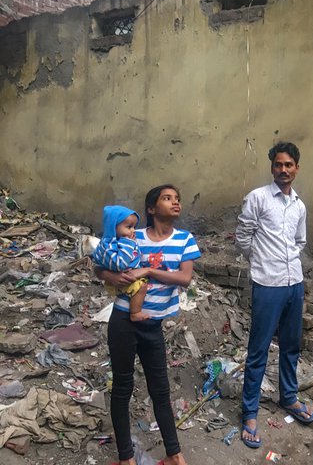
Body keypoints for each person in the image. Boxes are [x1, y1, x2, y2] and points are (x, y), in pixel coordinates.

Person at [96, 185, 200, 465]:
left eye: (178, 198)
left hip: (152, 324)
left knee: (160, 390)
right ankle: (125, 458)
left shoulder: (185, 240)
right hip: (122, 320)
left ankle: (174, 454)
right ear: (151, 209)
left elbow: (185, 278)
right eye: (167, 198)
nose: (175, 202)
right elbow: (99, 264)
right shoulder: (133, 234)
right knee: (122, 387)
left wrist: (149, 270)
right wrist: (110, 276)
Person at [235, 141, 313, 450]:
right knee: (258, 349)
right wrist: (262, 260)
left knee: (291, 346)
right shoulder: (257, 198)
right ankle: (250, 414)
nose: (283, 170)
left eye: (289, 165)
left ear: (296, 168)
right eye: (278, 165)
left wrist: (289, 260)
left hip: (294, 283)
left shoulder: (299, 205)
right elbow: (243, 236)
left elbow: (300, 240)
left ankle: (289, 398)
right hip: (267, 284)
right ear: (272, 167)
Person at [92, 206, 149, 321]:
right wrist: (128, 243)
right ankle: (135, 313)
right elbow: (120, 264)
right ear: (113, 227)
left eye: (134, 227)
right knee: (142, 287)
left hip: (127, 276)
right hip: (120, 280)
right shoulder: (109, 245)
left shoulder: (120, 242)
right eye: (129, 227)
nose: (133, 230)